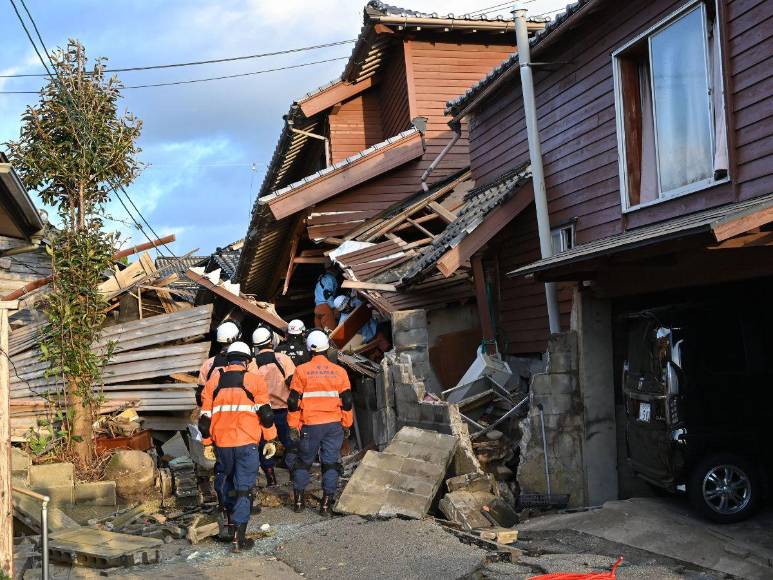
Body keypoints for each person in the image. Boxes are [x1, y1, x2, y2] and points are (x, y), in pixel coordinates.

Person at [198, 341, 278, 552]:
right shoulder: (255, 381)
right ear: (246, 360)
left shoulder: (213, 383)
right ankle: (238, 539)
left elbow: (204, 420)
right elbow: (267, 415)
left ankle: (229, 525)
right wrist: (270, 439)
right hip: (247, 443)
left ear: (229, 359)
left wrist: (206, 443)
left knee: (227, 483)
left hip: (222, 444)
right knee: (243, 489)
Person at [287, 329, 353, 516]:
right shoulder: (339, 371)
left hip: (310, 425)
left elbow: (293, 401)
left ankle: (299, 502)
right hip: (333, 425)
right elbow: (347, 401)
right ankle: (325, 505)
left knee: (303, 462)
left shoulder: (301, 371)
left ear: (309, 349)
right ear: (327, 348)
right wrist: (346, 424)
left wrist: (293, 426)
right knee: (330, 463)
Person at [251, 326, 296, 487]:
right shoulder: (284, 359)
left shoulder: (252, 364)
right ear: (271, 341)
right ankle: (294, 476)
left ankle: (271, 478)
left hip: (263, 414)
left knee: (265, 446)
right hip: (284, 411)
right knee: (290, 443)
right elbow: (293, 384)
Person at [196, 320, 241, 407]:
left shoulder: (208, 364)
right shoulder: (247, 363)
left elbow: (199, 397)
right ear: (237, 337)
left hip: (214, 414)